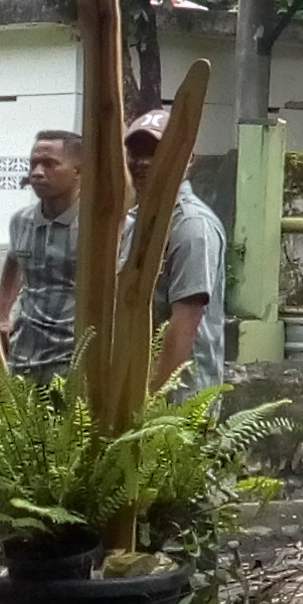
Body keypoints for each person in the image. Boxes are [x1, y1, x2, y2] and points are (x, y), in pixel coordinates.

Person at [122, 105, 228, 392]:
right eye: (137, 152)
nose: (143, 162)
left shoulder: (192, 227)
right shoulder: (133, 222)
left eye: (155, 152)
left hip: (177, 405)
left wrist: (153, 403)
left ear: (188, 159)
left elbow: (185, 321)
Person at [0, 130, 84, 377]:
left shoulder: (99, 226)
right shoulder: (21, 221)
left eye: (50, 164)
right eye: (33, 163)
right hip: (23, 357)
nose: (37, 172)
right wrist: (2, 315)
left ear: (78, 170)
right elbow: (14, 261)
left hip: (74, 363)